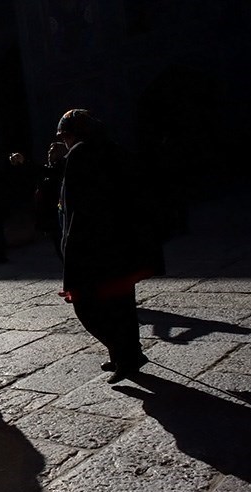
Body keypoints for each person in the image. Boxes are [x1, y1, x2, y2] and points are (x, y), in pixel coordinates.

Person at [55, 109, 164, 385]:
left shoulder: (80, 154)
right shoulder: (114, 151)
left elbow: (81, 208)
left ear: (74, 135)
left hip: (94, 249)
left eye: (65, 136)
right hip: (121, 246)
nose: (64, 141)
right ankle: (128, 354)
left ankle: (124, 354)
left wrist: (74, 250)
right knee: (122, 305)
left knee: (88, 307)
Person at [34, 141, 68, 260]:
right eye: (49, 151)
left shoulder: (60, 168)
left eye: (53, 151)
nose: (49, 153)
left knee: (63, 247)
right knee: (59, 246)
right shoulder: (49, 169)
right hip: (51, 214)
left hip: (59, 212)